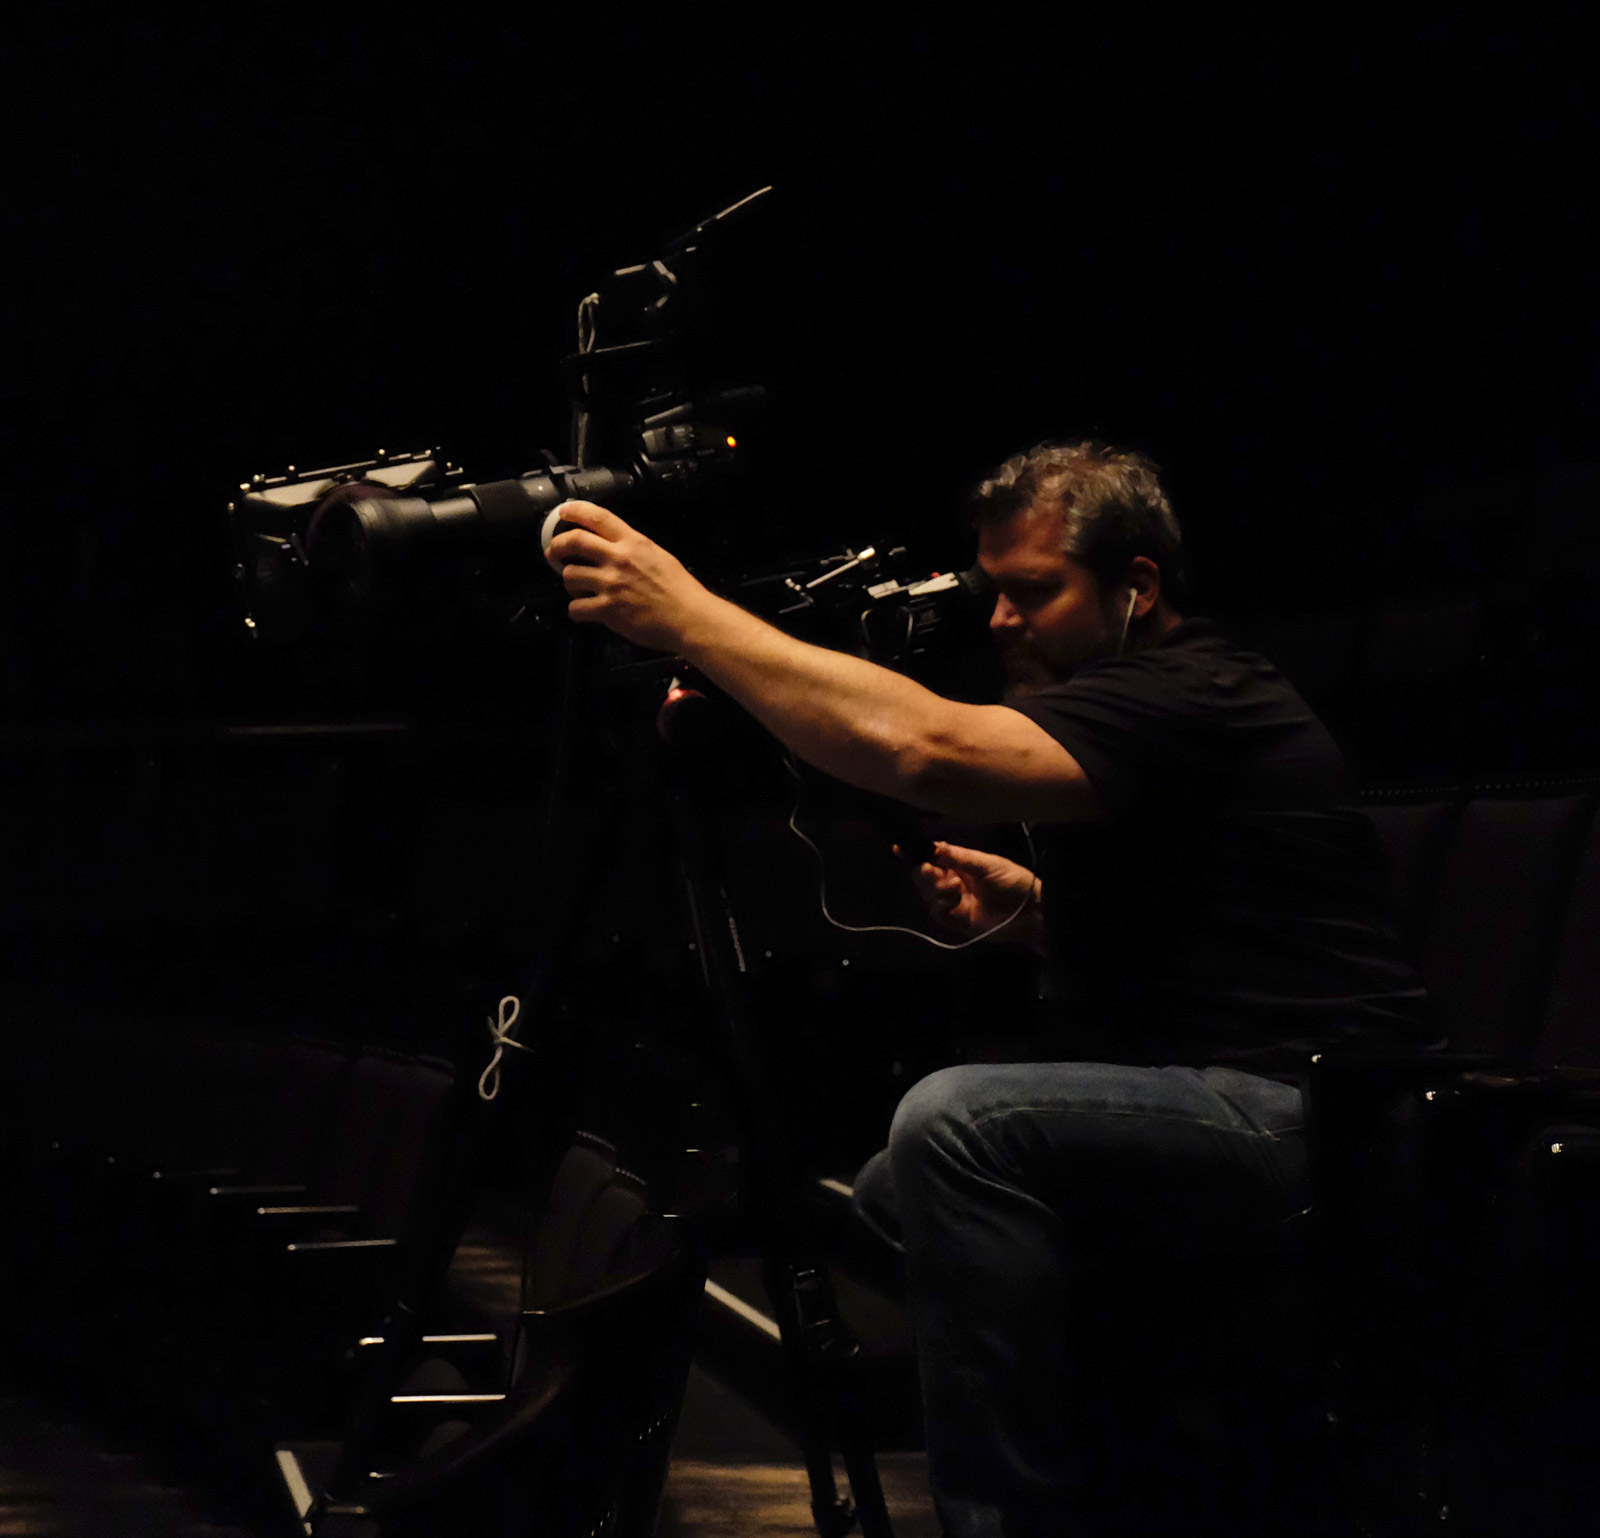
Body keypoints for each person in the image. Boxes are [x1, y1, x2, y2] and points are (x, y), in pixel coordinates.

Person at [544, 440, 1432, 1537]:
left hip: (1320, 1115)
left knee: (955, 1129)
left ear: (1136, 587)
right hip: (1226, 1088)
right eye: (992, 590)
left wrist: (687, 613)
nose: (1001, 620)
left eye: (1032, 592)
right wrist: (1031, 913)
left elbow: (925, 747)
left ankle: (1005, 1518)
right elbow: (1215, 930)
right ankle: (1130, 1475)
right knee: (889, 1189)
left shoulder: (1191, 686)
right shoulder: (1141, 706)